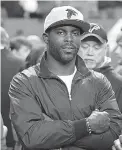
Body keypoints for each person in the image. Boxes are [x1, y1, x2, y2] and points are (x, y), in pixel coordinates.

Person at [9, 6, 122, 150]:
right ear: (46, 38)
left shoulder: (99, 81)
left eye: (75, 33)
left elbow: (112, 133)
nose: (69, 39)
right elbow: (32, 136)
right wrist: (86, 125)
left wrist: (53, 133)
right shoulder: (24, 81)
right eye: (61, 32)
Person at [78, 23, 122, 113]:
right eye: (84, 46)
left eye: (96, 47)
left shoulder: (118, 84)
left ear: (106, 49)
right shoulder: (65, 78)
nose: (90, 52)